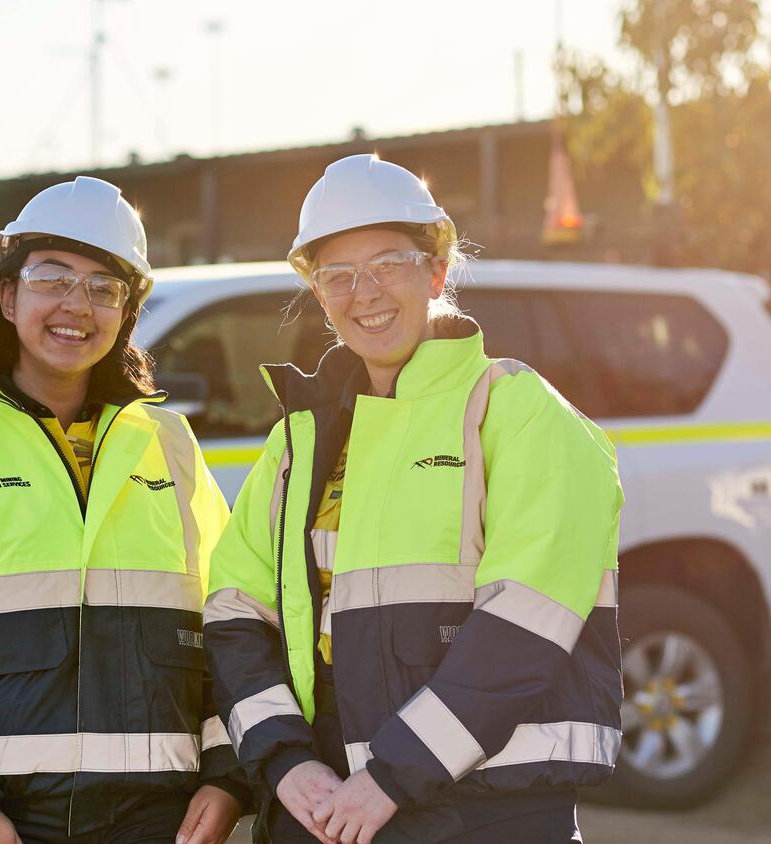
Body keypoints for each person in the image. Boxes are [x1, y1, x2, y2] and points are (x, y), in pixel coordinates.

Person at [202, 154, 624, 843]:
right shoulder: (299, 441)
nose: (363, 293)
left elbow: (527, 621)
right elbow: (234, 610)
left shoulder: (515, 410)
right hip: (330, 806)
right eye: (337, 275)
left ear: (436, 271)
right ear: (318, 293)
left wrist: (395, 774)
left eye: (388, 265)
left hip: (488, 814)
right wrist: (282, 760)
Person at [0, 176, 248, 843]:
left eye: (104, 288)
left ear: (127, 312)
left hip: (156, 827)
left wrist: (226, 774)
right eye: (53, 278)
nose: (77, 306)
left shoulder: (170, 448)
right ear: (7, 293)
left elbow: (227, 630)